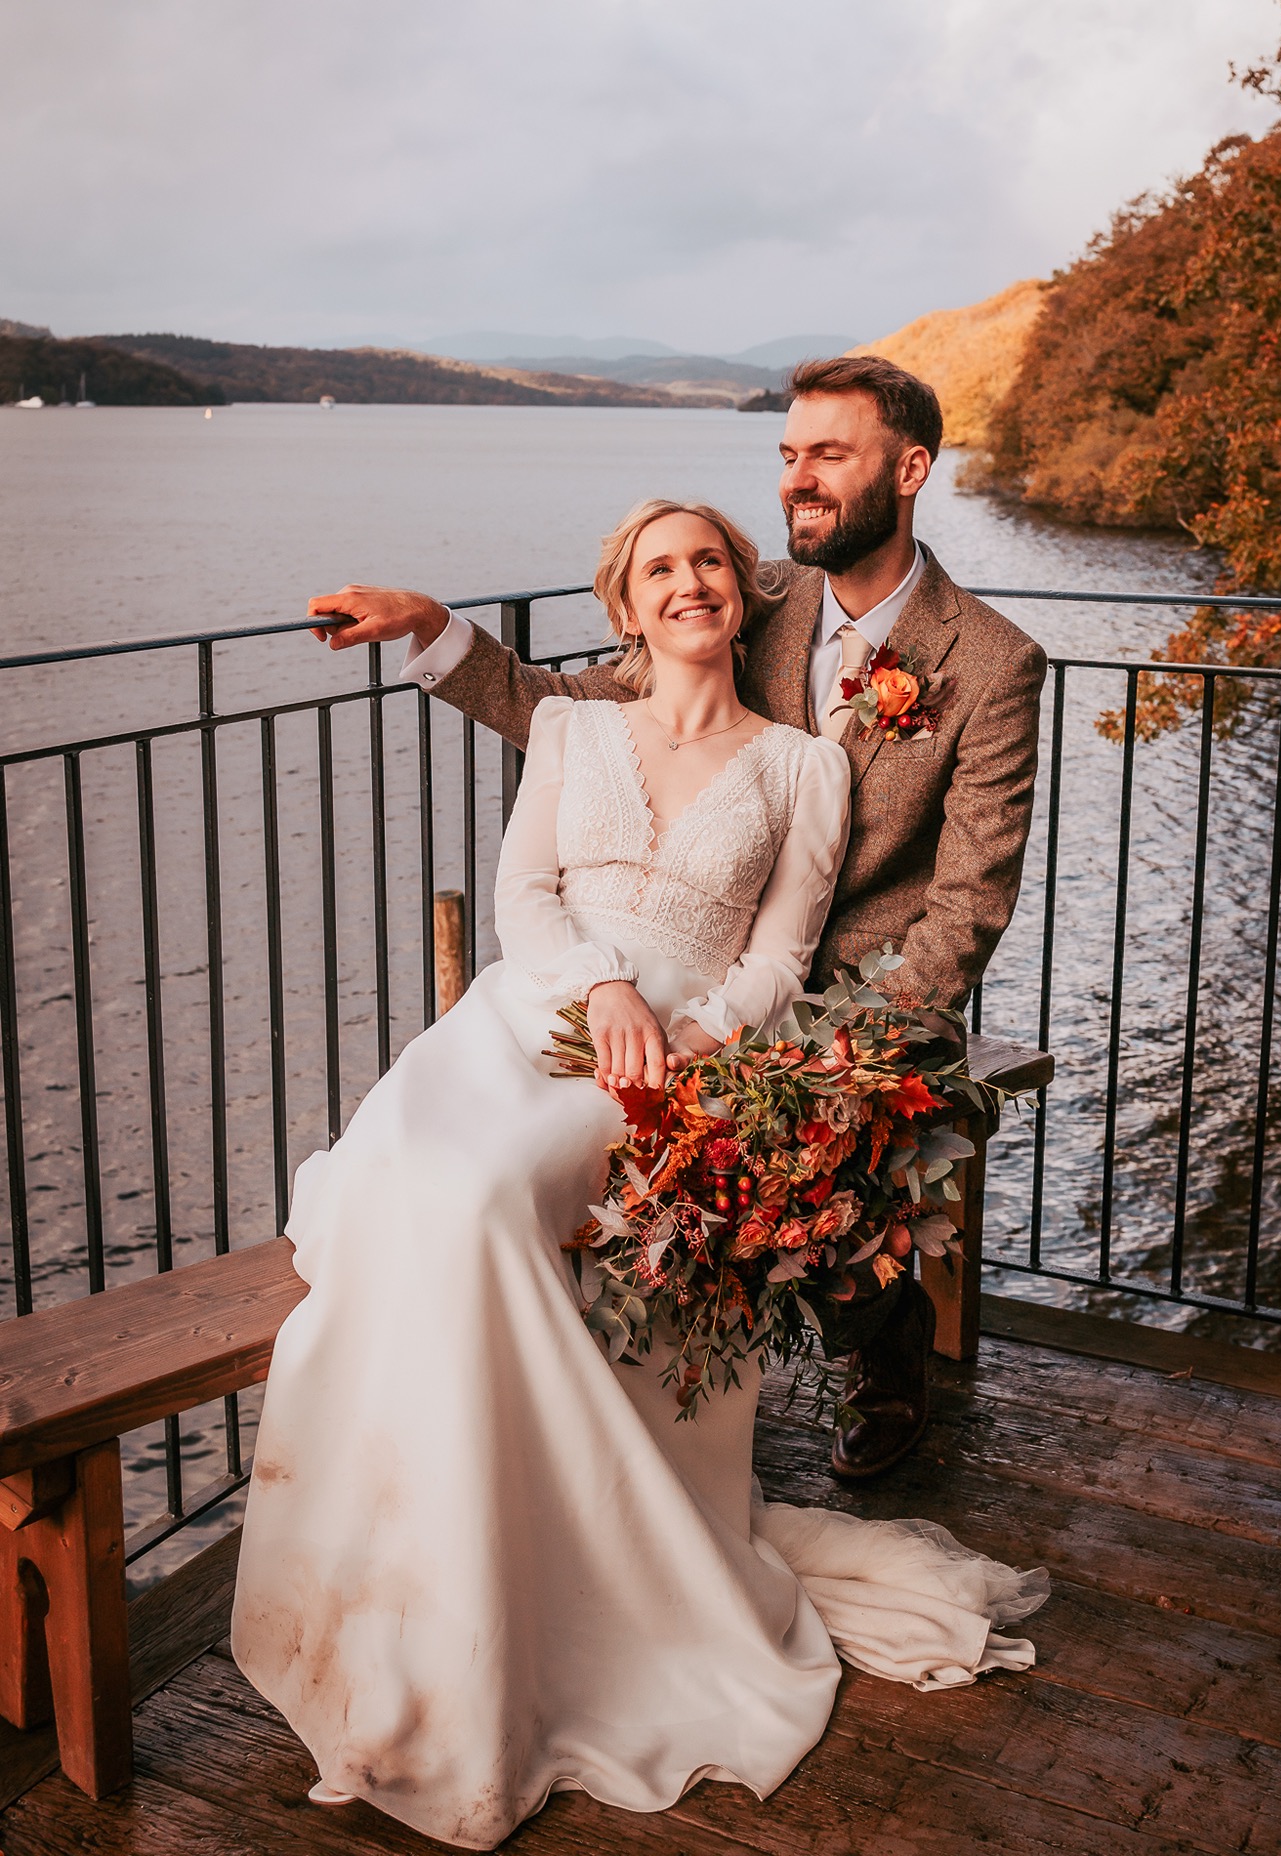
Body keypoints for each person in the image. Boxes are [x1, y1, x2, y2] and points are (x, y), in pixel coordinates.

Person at [234, 500, 1047, 1850]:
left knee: (488, 1204)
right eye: (660, 568)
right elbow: (522, 900)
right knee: (423, 1191)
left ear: (745, 593)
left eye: (711, 562)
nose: (691, 583)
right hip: (527, 1016)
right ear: (624, 607)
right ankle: (414, 1577)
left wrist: (690, 1040)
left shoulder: (801, 764)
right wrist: (600, 986)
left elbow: (781, 955)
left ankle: (528, 1579)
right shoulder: (567, 726)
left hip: (674, 1058)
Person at [309, 354, 1048, 1480]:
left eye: (828, 456)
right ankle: (573, 1428)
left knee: (816, 1138)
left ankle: (880, 1365)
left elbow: (967, 901)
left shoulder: (992, 662)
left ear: (909, 469)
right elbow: (589, 714)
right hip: (687, 968)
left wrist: (832, 1039)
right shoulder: (756, 599)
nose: (797, 478)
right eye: (788, 455)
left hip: (861, 991)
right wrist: (435, 627)